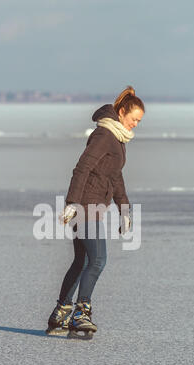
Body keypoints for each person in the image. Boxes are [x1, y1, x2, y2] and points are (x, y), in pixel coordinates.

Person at [46, 85, 145, 339]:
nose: (136, 124)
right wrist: (71, 203)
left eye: (139, 121)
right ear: (122, 112)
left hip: (94, 207)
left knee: (82, 262)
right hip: (85, 207)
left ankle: (60, 314)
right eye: (134, 119)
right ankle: (81, 313)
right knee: (98, 260)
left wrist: (125, 209)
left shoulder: (117, 138)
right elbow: (82, 168)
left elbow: (115, 176)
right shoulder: (104, 135)